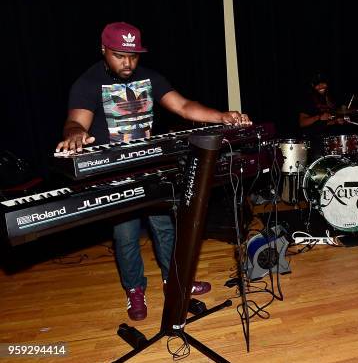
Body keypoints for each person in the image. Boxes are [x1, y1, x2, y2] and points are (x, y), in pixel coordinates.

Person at [55, 22, 251, 321]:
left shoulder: (150, 77)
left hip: (151, 170)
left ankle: (175, 280)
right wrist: (74, 134)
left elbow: (184, 106)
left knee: (164, 228)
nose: (128, 63)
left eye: (133, 56)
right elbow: (76, 122)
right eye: (120, 55)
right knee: (126, 235)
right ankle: (134, 290)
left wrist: (222, 116)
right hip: (116, 176)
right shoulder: (88, 83)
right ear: (103, 50)